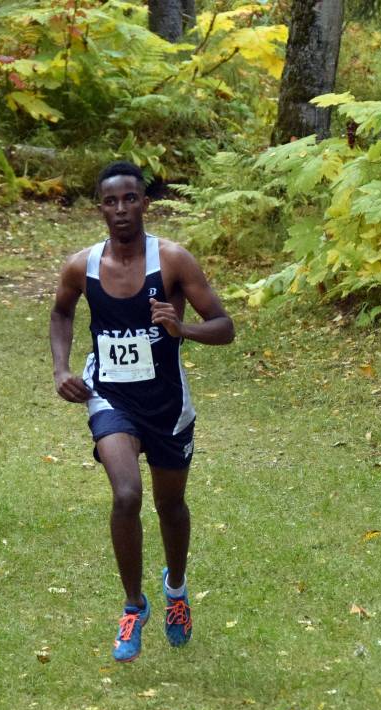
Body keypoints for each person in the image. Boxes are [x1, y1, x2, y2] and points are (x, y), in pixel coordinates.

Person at [49, 161, 235, 662]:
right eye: (110, 201)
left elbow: (224, 326)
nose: (121, 209)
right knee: (127, 494)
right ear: (100, 209)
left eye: (130, 199)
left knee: (170, 506)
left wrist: (182, 328)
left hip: (167, 403)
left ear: (145, 204)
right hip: (110, 396)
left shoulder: (172, 260)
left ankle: (176, 590)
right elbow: (62, 311)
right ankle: (134, 605)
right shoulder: (81, 266)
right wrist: (61, 368)